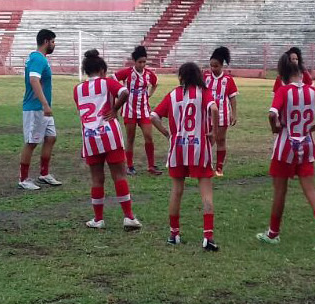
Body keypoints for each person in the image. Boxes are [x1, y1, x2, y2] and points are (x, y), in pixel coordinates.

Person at [256, 53, 315, 251]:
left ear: (283, 75)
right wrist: (314, 127)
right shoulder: (313, 91)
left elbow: (272, 114)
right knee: (310, 189)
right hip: (307, 144)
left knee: (280, 190)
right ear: (301, 72)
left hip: (286, 143)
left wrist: (275, 128)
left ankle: (273, 233)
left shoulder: (284, 91)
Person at [151, 62, 220, 251]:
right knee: (206, 191)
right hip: (199, 147)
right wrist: (214, 132)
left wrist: (167, 134)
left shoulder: (173, 94)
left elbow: (153, 116)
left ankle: (174, 234)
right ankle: (208, 237)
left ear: (181, 76)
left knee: (176, 190)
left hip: (178, 148)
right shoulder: (203, 92)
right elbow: (214, 109)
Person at [74, 49, 142, 231]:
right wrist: (115, 109)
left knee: (97, 179)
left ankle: (98, 219)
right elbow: (125, 92)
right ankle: (128, 217)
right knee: (119, 175)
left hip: (90, 137)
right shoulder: (107, 83)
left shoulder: (77, 89)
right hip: (109, 134)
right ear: (103, 70)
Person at [18, 29, 62, 190]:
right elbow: (34, 80)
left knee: (51, 138)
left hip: (42, 109)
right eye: (53, 41)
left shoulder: (39, 58)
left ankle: (44, 174)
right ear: (46, 41)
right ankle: (23, 179)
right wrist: (45, 104)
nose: (54, 45)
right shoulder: (38, 59)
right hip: (35, 108)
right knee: (31, 142)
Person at [114, 46, 161, 176]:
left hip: (144, 110)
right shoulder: (127, 72)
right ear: (134, 62)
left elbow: (155, 83)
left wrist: (149, 94)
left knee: (149, 137)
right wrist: (119, 93)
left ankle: (151, 166)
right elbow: (112, 78)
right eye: (140, 62)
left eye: (144, 62)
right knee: (130, 138)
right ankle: (129, 165)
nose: (142, 64)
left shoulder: (149, 74)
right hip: (129, 111)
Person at [204, 46, 239, 177]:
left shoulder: (228, 80)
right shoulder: (205, 76)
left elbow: (232, 98)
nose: (213, 68)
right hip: (206, 115)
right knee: (208, 140)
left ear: (221, 65)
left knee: (220, 140)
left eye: (216, 66)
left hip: (222, 115)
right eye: (211, 65)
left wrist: (234, 114)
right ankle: (205, 164)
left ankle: (219, 168)